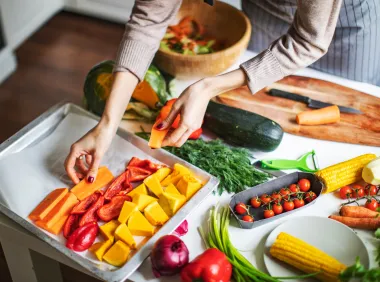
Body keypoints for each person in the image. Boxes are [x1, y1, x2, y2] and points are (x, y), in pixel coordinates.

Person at [65, 0, 380, 184]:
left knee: (352, 107)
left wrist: (208, 87)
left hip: (348, 19)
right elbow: (149, 19)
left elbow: (309, 41)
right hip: (266, 8)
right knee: (262, 75)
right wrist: (106, 125)